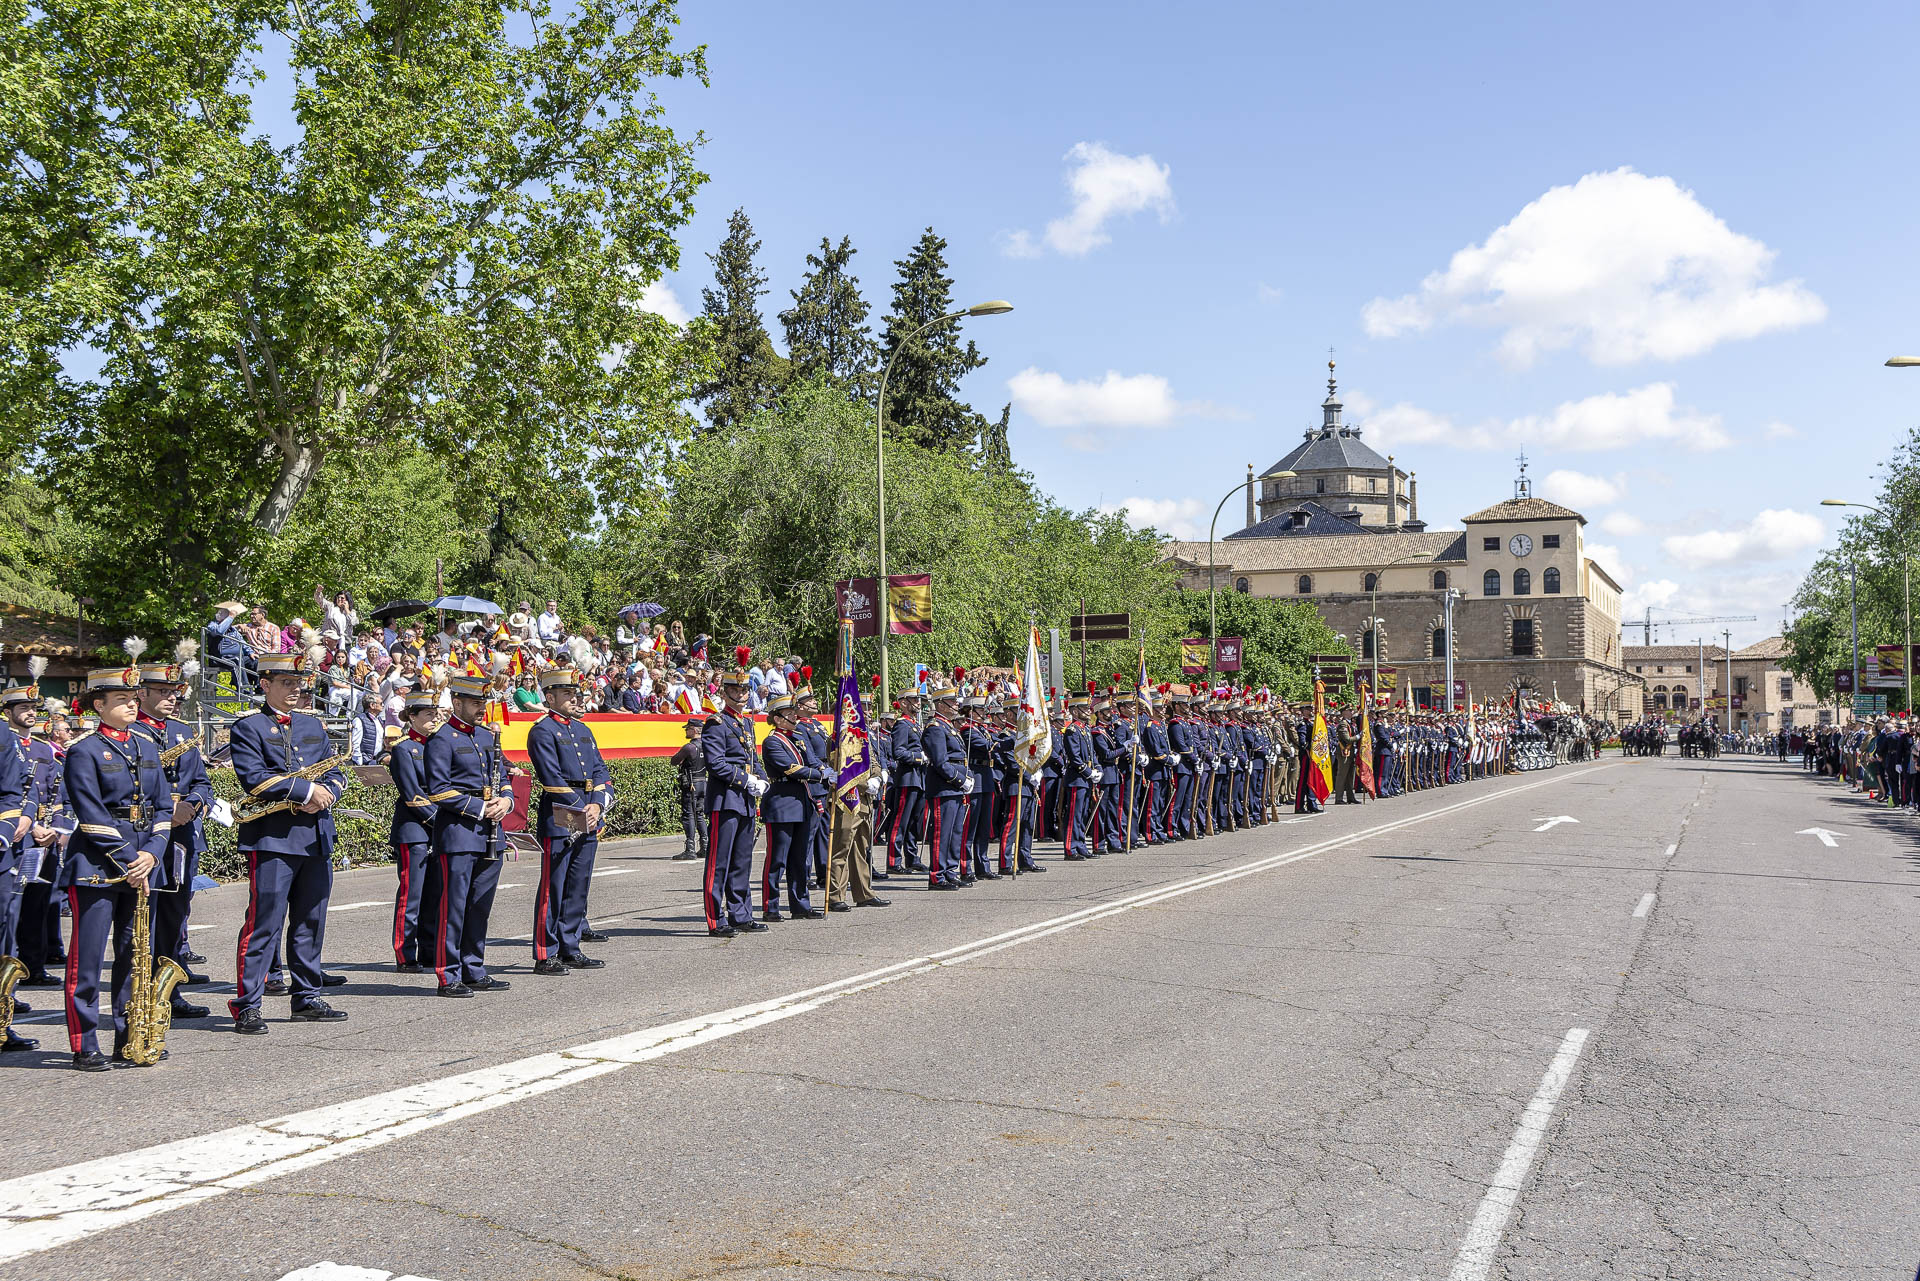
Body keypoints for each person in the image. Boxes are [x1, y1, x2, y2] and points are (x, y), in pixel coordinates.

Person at [57, 666, 175, 1069]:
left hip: (142, 863)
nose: (131, 703)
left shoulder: (146, 745)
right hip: (96, 867)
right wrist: (131, 858)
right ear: (98, 705)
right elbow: (89, 815)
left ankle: (129, 1037)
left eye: (133, 697)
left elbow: (163, 807)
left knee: (134, 956)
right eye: (122, 699)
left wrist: (153, 853)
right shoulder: (83, 751)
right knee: (86, 962)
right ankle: (83, 1042)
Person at [228, 653, 350, 1033]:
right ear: (265, 685)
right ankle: (248, 1002)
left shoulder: (312, 726)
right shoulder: (248, 728)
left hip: (315, 836)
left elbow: (336, 769)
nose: (296, 690)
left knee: (310, 921)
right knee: (264, 923)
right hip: (273, 838)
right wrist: (306, 789)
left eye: (299, 684)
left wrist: (329, 790)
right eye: (286, 683)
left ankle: (307, 996)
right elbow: (254, 778)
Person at [129, 661, 215, 1022]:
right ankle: (136, 996)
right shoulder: (130, 733)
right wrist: (168, 811)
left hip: (181, 840)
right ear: (141, 693)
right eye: (162, 691)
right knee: (140, 921)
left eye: (174, 691)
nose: (170, 697)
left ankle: (169, 991)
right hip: (144, 839)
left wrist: (193, 806)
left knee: (173, 916)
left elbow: (203, 783)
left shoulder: (182, 732)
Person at [424, 674, 512, 996]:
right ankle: (448, 975)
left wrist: (505, 800)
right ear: (457, 703)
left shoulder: (487, 737)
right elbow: (438, 790)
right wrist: (479, 807)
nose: (481, 709)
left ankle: (473, 968)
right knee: (454, 907)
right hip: (459, 833)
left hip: (491, 831)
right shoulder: (441, 739)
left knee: (479, 905)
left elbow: (502, 777)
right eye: (476, 703)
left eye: (483, 703)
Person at [525, 667, 613, 974]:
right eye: (567, 694)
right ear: (549, 697)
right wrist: (583, 808)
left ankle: (570, 947)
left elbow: (601, 770)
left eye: (575, 693)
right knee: (554, 885)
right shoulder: (542, 730)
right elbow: (551, 777)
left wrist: (598, 805)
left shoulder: (583, 730)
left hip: (588, 811)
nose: (574, 698)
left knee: (579, 884)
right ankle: (545, 953)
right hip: (561, 813)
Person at [700, 652, 768, 937]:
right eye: (735, 690)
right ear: (724, 692)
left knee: (742, 861)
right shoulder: (716, 723)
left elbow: (752, 757)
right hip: (725, 799)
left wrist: (763, 779)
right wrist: (746, 780)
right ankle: (716, 919)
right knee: (719, 863)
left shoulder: (746, 723)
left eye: (744, 690)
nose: (741, 694)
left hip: (745, 801)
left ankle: (740, 914)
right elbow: (715, 763)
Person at [386, 692, 441, 973]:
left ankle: (430, 951)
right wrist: (440, 820)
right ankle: (406, 954)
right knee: (412, 896)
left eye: (435, 713)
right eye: (428, 714)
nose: (434, 718)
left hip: (437, 830)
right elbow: (413, 795)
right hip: (414, 830)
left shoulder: (438, 745)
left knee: (435, 894)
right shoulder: (404, 749)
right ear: (413, 717)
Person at [757, 692, 824, 922]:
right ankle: (771, 906)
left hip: (802, 802)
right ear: (777, 718)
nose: (794, 717)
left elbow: (812, 760)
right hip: (782, 803)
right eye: (789, 714)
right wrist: (820, 775)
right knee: (777, 859)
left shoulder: (797, 738)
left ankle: (800, 905)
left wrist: (823, 770)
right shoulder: (772, 741)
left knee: (800, 859)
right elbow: (791, 768)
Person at [920, 681, 971, 889]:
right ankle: (937, 875)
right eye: (951, 702)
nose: (956, 705)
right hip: (944, 787)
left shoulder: (949, 727)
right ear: (940, 705)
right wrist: (960, 779)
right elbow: (940, 762)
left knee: (955, 832)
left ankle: (950, 870)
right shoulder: (935, 728)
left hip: (954, 787)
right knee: (942, 833)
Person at [886, 689, 928, 874]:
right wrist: (919, 757)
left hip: (919, 778)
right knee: (900, 821)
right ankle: (893, 861)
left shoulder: (915, 725)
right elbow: (899, 752)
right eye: (913, 700)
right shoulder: (902, 725)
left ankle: (912, 858)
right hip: (907, 778)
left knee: (913, 821)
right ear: (903, 703)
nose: (918, 703)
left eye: (918, 700)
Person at [671, 718, 707, 862]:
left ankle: (690, 848)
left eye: (688, 729)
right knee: (699, 814)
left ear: (694, 730)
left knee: (689, 815)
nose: (686, 731)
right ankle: (705, 845)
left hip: (691, 784)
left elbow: (674, 761)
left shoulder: (689, 747)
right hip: (703, 782)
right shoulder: (707, 746)